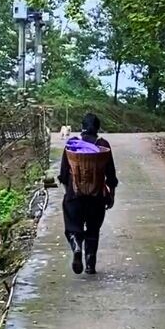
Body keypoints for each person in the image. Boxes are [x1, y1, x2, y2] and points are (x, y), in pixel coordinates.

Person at [58, 113, 117, 275]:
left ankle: (77, 246)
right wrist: (111, 195)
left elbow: (64, 174)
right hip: (97, 197)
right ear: (98, 128)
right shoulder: (103, 145)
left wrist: (69, 194)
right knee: (93, 229)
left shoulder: (72, 144)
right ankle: (90, 264)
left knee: (72, 226)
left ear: (82, 127)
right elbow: (111, 175)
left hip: (75, 196)